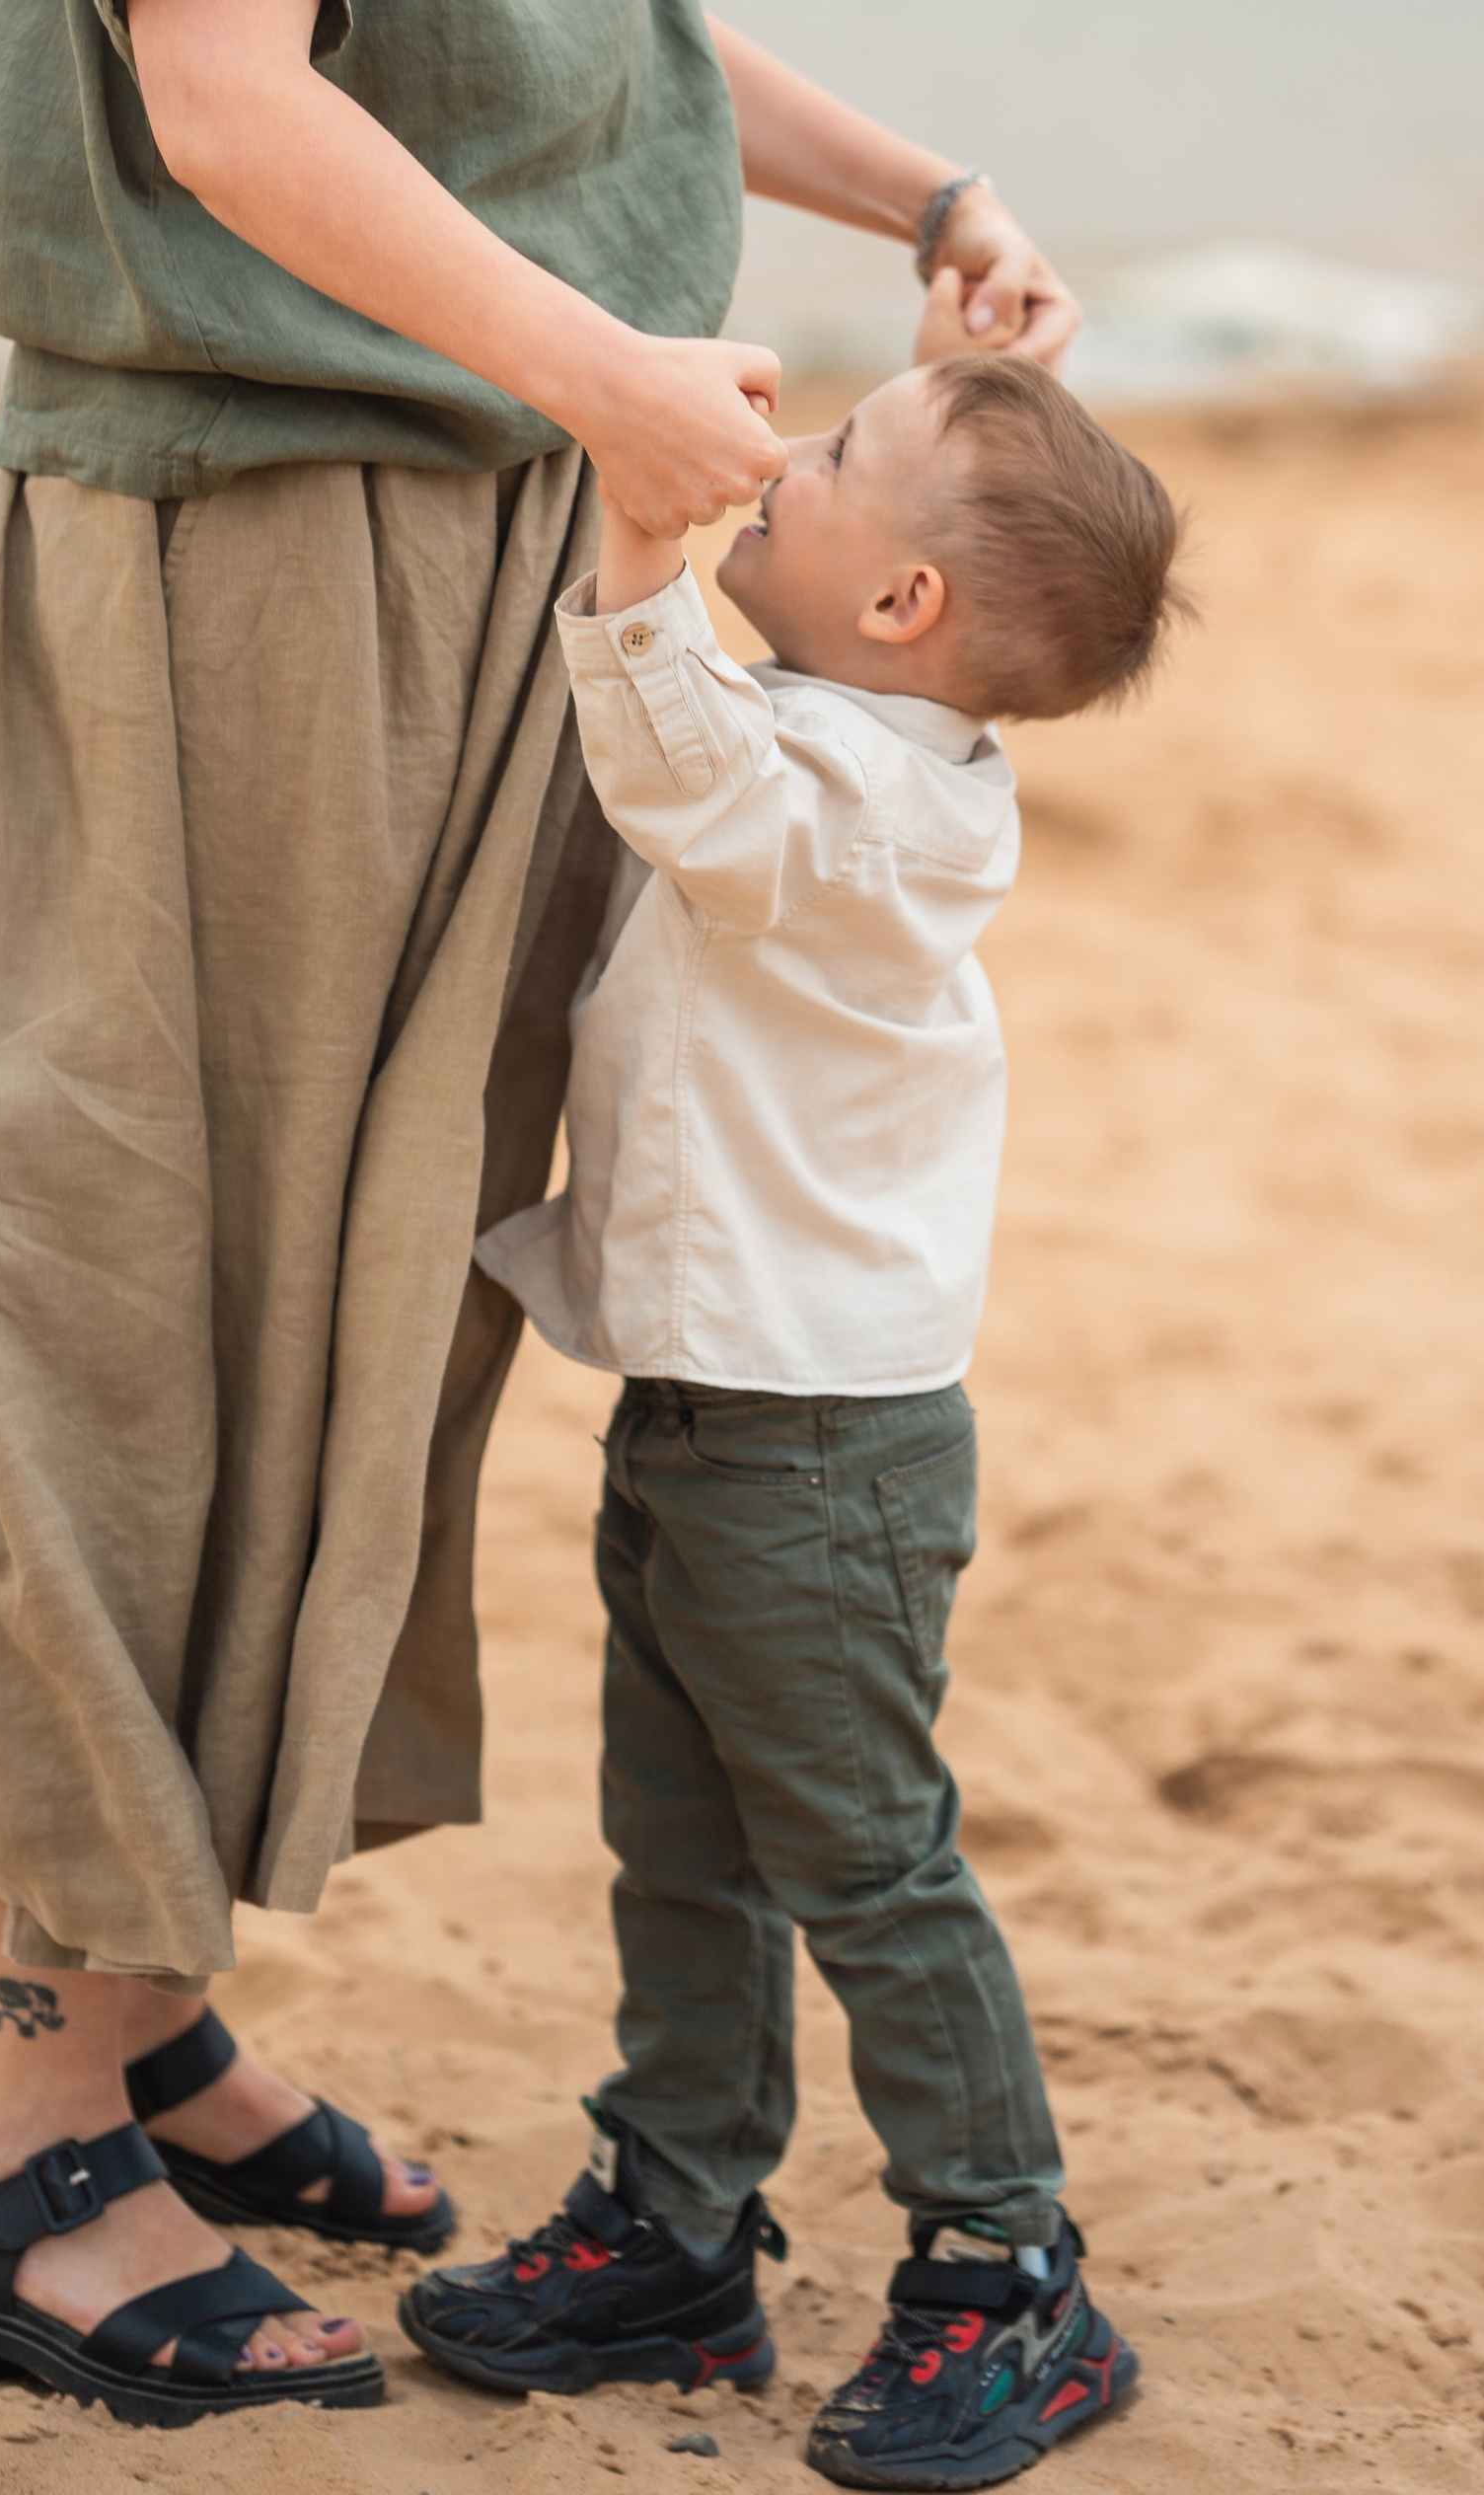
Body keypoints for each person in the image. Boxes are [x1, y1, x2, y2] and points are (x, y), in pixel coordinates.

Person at [0, 0, 1081, 2432]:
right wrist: (601, 375)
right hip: (230, 593)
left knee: (357, 1324)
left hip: (473, 592)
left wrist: (919, 193)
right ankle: (10, 2143)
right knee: (146, 1322)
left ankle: (145, 2025)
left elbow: (627, 35)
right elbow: (227, 105)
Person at [401, 349, 1185, 2488]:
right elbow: (711, 753)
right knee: (683, 1844)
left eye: (834, 454)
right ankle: (675, 2222)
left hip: (815, 1459)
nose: (790, 453)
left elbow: (682, 770)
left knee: (862, 1863)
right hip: (701, 1418)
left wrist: (639, 517)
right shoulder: (834, 740)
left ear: (905, 605)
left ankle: (1010, 2269)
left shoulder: (879, 815)